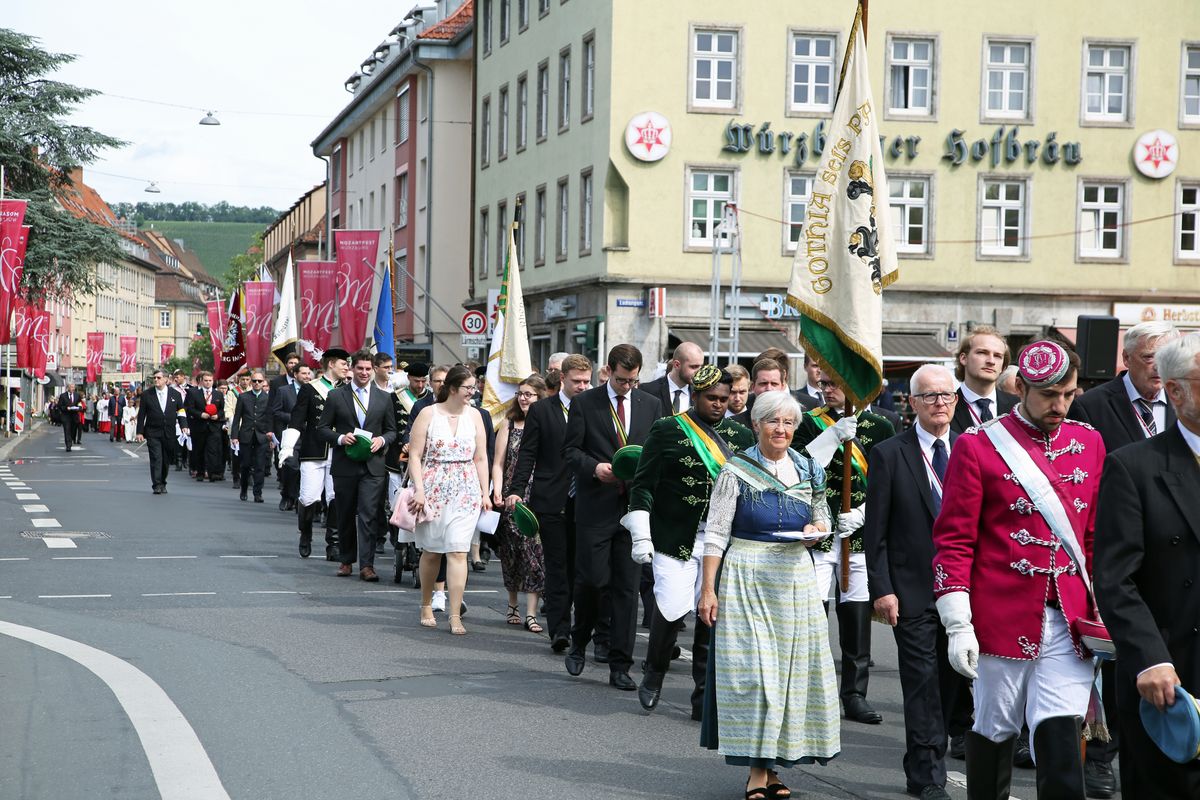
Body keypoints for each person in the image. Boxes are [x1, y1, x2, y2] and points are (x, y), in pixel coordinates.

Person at [933, 341, 1106, 800]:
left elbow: (1093, 536)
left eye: (1068, 394)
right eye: (1049, 395)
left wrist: (1103, 606)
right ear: (1021, 388)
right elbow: (954, 540)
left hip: (1069, 618)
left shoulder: (1089, 442)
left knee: (1062, 729)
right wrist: (958, 623)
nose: (1060, 406)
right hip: (1000, 619)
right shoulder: (977, 445)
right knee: (995, 728)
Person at [698, 390, 839, 799]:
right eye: (773, 421)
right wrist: (708, 589)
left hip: (795, 578)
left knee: (790, 676)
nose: (781, 429)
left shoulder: (810, 468)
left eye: (788, 423)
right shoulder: (736, 470)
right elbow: (716, 533)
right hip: (747, 575)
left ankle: (772, 768)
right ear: (756, 424)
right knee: (757, 675)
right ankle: (756, 771)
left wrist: (817, 530)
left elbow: (822, 515)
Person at [1067, 320, 1179, 797]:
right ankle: (1102, 753)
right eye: (1150, 357)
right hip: (1115, 545)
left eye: (1166, 358)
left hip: (1173, 550)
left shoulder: (1183, 402)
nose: (1158, 367)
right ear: (1127, 359)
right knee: (1115, 657)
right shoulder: (1094, 405)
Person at [1094, 333, 1200, 799]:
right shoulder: (1134, 467)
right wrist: (1151, 658)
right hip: (1168, 673)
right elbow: (1116, 579)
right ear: (1176, 391)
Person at [625, 365, 754, 717]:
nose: (718, 404)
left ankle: (703, 695)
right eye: (711, 398)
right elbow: (643, 485)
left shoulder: (741, 435)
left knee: (711, 615)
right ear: (694, 396)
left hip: (720, 541)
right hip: (674, 537)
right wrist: (641, 533)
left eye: (724, 399)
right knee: (670, 607)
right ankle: (654, 672)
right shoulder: (667, 429)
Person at [864, 364, 965, 800]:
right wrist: (882, 588)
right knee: (922, 682)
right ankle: (927, 774)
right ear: (913, 402)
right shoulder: (890, 453)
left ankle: (934, 751)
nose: (939, 403)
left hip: (963, 592)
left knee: (952, 680)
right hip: (911, 589)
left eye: (946, 395)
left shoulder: (971, 449)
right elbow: (876, 530)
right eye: (929, 396)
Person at [793, 367, 895, 726]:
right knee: (812, 615)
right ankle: (809, 691)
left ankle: (854, 694)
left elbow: (888, 481)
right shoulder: (809, 423)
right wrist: (832, 436)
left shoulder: (882, 425)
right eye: (823, 383)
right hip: (819, 530)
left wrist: (864, 513)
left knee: (856, 619)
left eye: (834, 383)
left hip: (859, 534)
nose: (827, 389)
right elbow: (800, 470)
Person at [563, 344, 664, 691]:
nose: (627, 387)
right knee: (592, 580)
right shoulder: (585, 403)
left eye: (633, 381)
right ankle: (579, 640)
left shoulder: (650, 404)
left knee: (626, 589)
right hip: (596, 506)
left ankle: (620, 665)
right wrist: (595, 468)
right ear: (608, 371)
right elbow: (570, 451)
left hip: (633, 509)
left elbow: (656, 452)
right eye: (622, 380)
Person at [507, 354, 593, 651]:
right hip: (552, 498)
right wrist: (516, 490)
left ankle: (585, 628)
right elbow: (528, 453)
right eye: (577, 381)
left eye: (587, 381)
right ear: (562, 379)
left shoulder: (594, 407)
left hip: (588, 498)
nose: (582, 386)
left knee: (582, 568)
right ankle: (559, 630)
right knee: (557, 566)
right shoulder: (542, 410)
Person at [405, 364, 491, 634]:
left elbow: (481, 457)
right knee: (432, 551)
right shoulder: (428, 414)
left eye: (474, 387)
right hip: (433, 488)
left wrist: (485, 492)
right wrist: (419, 489)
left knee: (458, 551)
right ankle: (426, 604)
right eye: (468, 388)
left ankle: (455, 614)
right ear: (453, 388)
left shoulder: (475, 415)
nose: (472, 392)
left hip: (466, 488)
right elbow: (415, 456)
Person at [317, 350, 397, 581]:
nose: (364, 372)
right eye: (360, 368)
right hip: (345, 464)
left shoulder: (384, 397)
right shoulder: (336, 396)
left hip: (373, 466)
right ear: (352, 369)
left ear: (373, 370)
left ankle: (367, 565)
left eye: (368, 369)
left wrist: (382, 440)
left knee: (369, 515)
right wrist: (341, 438)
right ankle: (346, 560)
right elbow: (322, 428)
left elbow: (392, 431)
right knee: (345, 513)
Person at [492, 374, 549, 634]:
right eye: (520, 394)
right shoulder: (509, 423)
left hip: (538, 495)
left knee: (535, 554)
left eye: (529, 394)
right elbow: (498, 462)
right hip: (512, 496)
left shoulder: (546, 423)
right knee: (513, 552)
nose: (523, 398)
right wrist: (497, 491)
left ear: (540, 397)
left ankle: (531, 613)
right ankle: (513, 603)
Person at [280, 349, 348, 560]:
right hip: (313, 451)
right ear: (331, 364)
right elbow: (297, 419)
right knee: (308, 497)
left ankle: (333, 544)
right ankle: (306, 534)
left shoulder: (347, 390)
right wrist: (287, 447)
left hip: (339, 452)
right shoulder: (310, 389)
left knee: (335, 497)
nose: (347, 367)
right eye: (343, 363)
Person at [951, 325, 1017, 434]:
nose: (991, 361)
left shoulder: (1017, 408)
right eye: (982, 353)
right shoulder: (945, 407)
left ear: (1003, 366)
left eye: (997, 356)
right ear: (963, 358)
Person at [135, 370, 188, 495]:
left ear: (166, 379)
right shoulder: (147, 394)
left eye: (159, 377)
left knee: (165, 460)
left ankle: (163, 481)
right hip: (153, 432)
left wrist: (184, 426)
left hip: (169, 432)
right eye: (154, 378)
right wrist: (139, 432)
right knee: (156, 458)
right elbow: (142, 414)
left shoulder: (175, 394)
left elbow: (181, 411)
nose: (156, 380)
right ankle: (157, 484)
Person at [231, 370, 271, 503]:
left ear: (263, 382)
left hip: (262, 436)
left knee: (260, 466)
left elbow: (270, 418)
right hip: (246, 435)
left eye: (260, 381)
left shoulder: (268, 398)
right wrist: (234, 436)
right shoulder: (243, 397)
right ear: (251, 382)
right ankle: (243, 489)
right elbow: (237, 417)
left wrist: (271, 435)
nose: (257, 383)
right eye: (254, 381)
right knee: (245, 465)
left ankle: (258, 493)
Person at [268, 354, 302, 511]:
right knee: (290, 465)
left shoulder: (311, 388)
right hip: (287, 432)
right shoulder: (279, 385)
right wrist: (271, 430)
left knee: (302, 468)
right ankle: (287, 495)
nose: (293, 365)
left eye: (296, 363)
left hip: (306, 435)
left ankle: (299, 499)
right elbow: (273, 409)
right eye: (291, 363)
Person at [640, 342, 705, 416]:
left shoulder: (701, 394)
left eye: (701, 367)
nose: (699, 372)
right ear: (677, 365)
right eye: (693, 367)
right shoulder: (647, 391)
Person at [186, 372, 225, 482]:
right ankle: (200, 472)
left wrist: (217, 416)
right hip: (199, 426)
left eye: (210, 380)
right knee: (199, 450)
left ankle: (212, 473)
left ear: (213, 381)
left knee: (212, 450)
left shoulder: (218, 394)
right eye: (206, 380)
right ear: (202, 381)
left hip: (213, 427)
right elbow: (189, 409)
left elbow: (222, 409)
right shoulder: (194, 393)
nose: (208, 383)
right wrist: (200, 414)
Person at [56, 383, 83, 452]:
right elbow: (59, 406)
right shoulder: (63, 396)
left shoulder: (77, 395)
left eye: (73, 387)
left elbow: (79, 404)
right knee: (67, 430)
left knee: (73, 430)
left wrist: (79, 407)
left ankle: (72, 438)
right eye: (71, 387)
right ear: (68, 388)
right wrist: (66, 408)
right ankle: (68, 445)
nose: (73, 389)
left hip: (74, 415)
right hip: (66, 416)